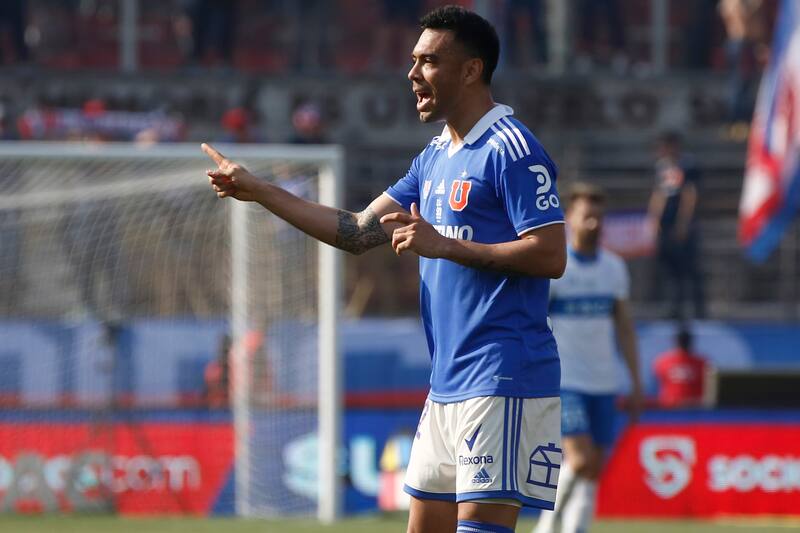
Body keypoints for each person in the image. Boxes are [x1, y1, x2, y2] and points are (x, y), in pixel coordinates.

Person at [203, 6, 566, 532]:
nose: (413, 73)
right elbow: (354, 232)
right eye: (413, 61)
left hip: (503, 371)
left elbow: (551, 254)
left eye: (428, 61)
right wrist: (260, 191)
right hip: (448, 380)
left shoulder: (511, 149)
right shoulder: (434, 157)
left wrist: (446, 246)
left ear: (470, 70)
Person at [534, 182, 643, 533]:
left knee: (595, 468)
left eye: (598, 217)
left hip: (604, 381)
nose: (593, 224)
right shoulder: (558, 267)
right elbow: (536, 322)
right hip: (568, 381)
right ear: (570, 219)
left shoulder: (613, 268)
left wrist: (637, 381)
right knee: (579, 461)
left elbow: (624, 327)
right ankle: (546, 528)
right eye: (586, 217)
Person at [647, 131, 706, 320]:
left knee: (689, 269)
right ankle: (674, 309)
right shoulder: (662, 167)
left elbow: (690, 194)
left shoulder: (687, 165)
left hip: (682, 227)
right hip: (666, 225)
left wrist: (683, 223)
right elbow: (659, 193)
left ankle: (699, 311)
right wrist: (654, 219)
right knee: (670, 269)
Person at [653, 327, 709, 408]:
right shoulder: (703, 363)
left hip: (677, 408)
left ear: (676, 342)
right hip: (690, 409)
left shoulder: (662, 361)